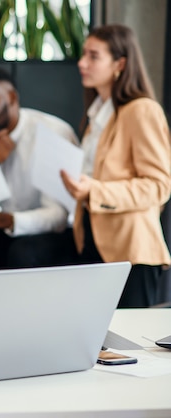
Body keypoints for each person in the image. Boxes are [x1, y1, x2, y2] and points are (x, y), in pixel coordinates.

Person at [60, 24, 171, 308]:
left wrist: (94, 191)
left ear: (120, 63)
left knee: (128, 348)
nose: (82, 63)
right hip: (92, 240)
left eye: (94, 56)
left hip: (130, 249)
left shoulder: (141, 110)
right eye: (83, 54)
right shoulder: (98, 113)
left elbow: (159, 186)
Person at [0, 68, 79, 284]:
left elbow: (59, 216)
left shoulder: (52, 132)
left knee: (22, 251)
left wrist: (10, 220)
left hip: (49, 235)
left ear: (12, 97)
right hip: (1, 231)